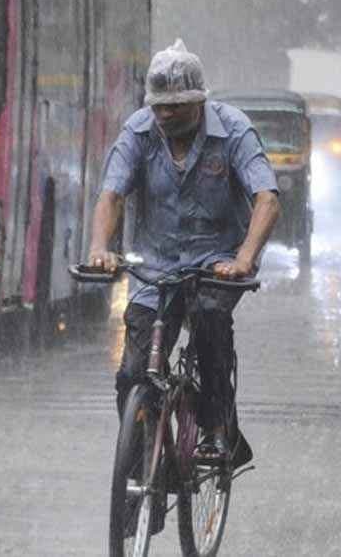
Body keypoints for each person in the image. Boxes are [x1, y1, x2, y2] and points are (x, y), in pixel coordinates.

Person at [87, 39, 280, 466]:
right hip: (154, 266)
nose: (165, 115)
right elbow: (112, 195)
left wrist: (244, 259)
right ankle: (145, 466)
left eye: (176, 107)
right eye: (159, 107)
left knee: (210, 319)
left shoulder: (234, 130)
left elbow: (267, 200)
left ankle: (217, 429)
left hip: (217, 263)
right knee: (133, 374)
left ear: (199, 101)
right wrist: (100, 248)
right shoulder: (138, 132)